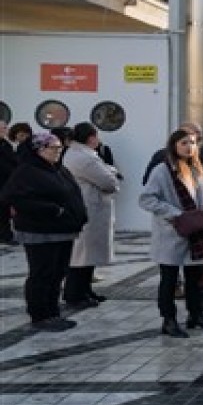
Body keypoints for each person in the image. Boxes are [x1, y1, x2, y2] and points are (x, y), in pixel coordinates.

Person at [0, 132, 88, 331]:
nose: (58, 152)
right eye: (53, 148)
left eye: (59, 148)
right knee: (42, 273)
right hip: (40, 231)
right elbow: (14, 198)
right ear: (39, 150)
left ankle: (52, 312)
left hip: (63, 230)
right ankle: (40, 315)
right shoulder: (26, 171)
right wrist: (53, 210)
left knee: (58, 272)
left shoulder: (57, 169)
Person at [140, 127, 203, 338]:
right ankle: (169, 319)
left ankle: (196, 314)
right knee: (170, 279)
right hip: (172, 231)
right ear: (174, 145)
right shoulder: (162, 170)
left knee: (197, 278)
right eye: (183, 143)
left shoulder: (198, 170)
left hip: (197, 232)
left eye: (192, 142)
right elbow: (147, 198)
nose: (188, 147)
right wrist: (175, 214)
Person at [61, 123, 119, 309]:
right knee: (82, 255)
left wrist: (110, 171)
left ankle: (85, 290)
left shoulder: (79, 154)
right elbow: (109, 183)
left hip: (89, 208)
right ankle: (75, 294)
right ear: (91, 137)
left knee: (87, 254)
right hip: (89, 209)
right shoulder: (85, 158)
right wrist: (112, 172)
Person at [0, 120, 17, 244]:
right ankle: (5, 235)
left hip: (6, 182)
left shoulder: (6, 144)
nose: (6, 130)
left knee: (4, 210)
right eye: (3, 128)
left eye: (6, 128)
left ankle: (6, 235)